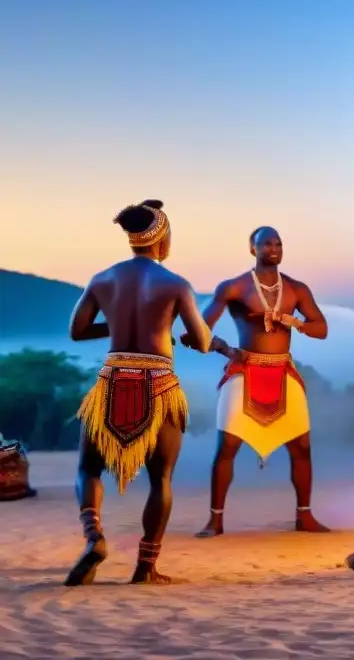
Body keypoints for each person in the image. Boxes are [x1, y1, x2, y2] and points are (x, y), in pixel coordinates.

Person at [66, 200, 212, 586]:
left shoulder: (102, 279)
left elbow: (77, 331)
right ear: (161, 237)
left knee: (88, 468)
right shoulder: (176, 284)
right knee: (160, 479)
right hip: (158, 386)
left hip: (111, 382)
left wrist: (114, 325)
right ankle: (145, 567)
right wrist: (172, 328)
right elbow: (201, 338)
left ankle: (94, 536)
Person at [186, 226, 330, 538]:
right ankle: (215, 520)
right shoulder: (234, 287)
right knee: (227, 446)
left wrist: (294, 322)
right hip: (244, 370)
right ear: (253, 249)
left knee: (302, 448)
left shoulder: (296, 288)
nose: (273, 247)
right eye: (266, 243)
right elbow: (198, 330)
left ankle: (304, 517)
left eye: (278, 242)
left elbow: (322, 329)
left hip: (283, 372)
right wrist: (226, 349)